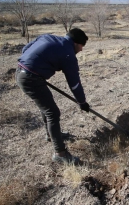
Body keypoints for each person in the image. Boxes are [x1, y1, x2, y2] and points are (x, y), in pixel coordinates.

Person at [16, 28, 90, 165]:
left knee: (47, 108)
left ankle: (51, 135)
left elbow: (26, 48)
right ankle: (60, 154)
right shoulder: (68, 54)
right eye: (81, 46)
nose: (81, 50)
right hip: (30, 78)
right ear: (76, 43)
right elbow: (74, 83)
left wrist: (34, 65)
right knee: (52, 112)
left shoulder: (48, 37)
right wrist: (82, 102)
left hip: (22, 71)